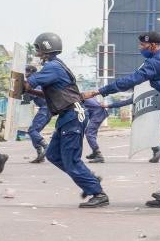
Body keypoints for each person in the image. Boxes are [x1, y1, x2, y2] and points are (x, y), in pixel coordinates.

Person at [82, 32, 160, 203]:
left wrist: (98, 91)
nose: (140, 48)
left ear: (153, 45)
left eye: (142, 45)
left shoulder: (155, 63)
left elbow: (130, 81)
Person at [27, 32, 107, 207]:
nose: (37, 51)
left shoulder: (52, 67)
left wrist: (20, 83)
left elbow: (28, 83)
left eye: (38, 48)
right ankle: (89, 180)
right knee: (53, 154)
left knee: (71, 160)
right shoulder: (56, 66)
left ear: (45, 48)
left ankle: (98, 193)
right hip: (67, 116)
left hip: (72, 115)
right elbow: (49, 92)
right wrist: (29, 90)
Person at [84, 95, 133, 163]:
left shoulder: (74, 96)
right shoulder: (76, 95)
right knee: (89, 132)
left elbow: (126, 102)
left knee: (89, 133)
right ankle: (95, 152)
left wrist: (109, 105)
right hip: (97, 112)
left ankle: (98, 155)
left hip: (98, 113)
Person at [24, 65, 51, 163]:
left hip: (45, 108)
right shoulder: (37, 81)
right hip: (47, 109)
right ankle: (40, 155)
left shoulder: (34, 82)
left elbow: (27, 99)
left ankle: (46, 147)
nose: (26, 74)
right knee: (33, 131)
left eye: (27, 72)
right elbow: (27, 99)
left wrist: (20, 91)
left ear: (31, 72)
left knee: (32, 131)